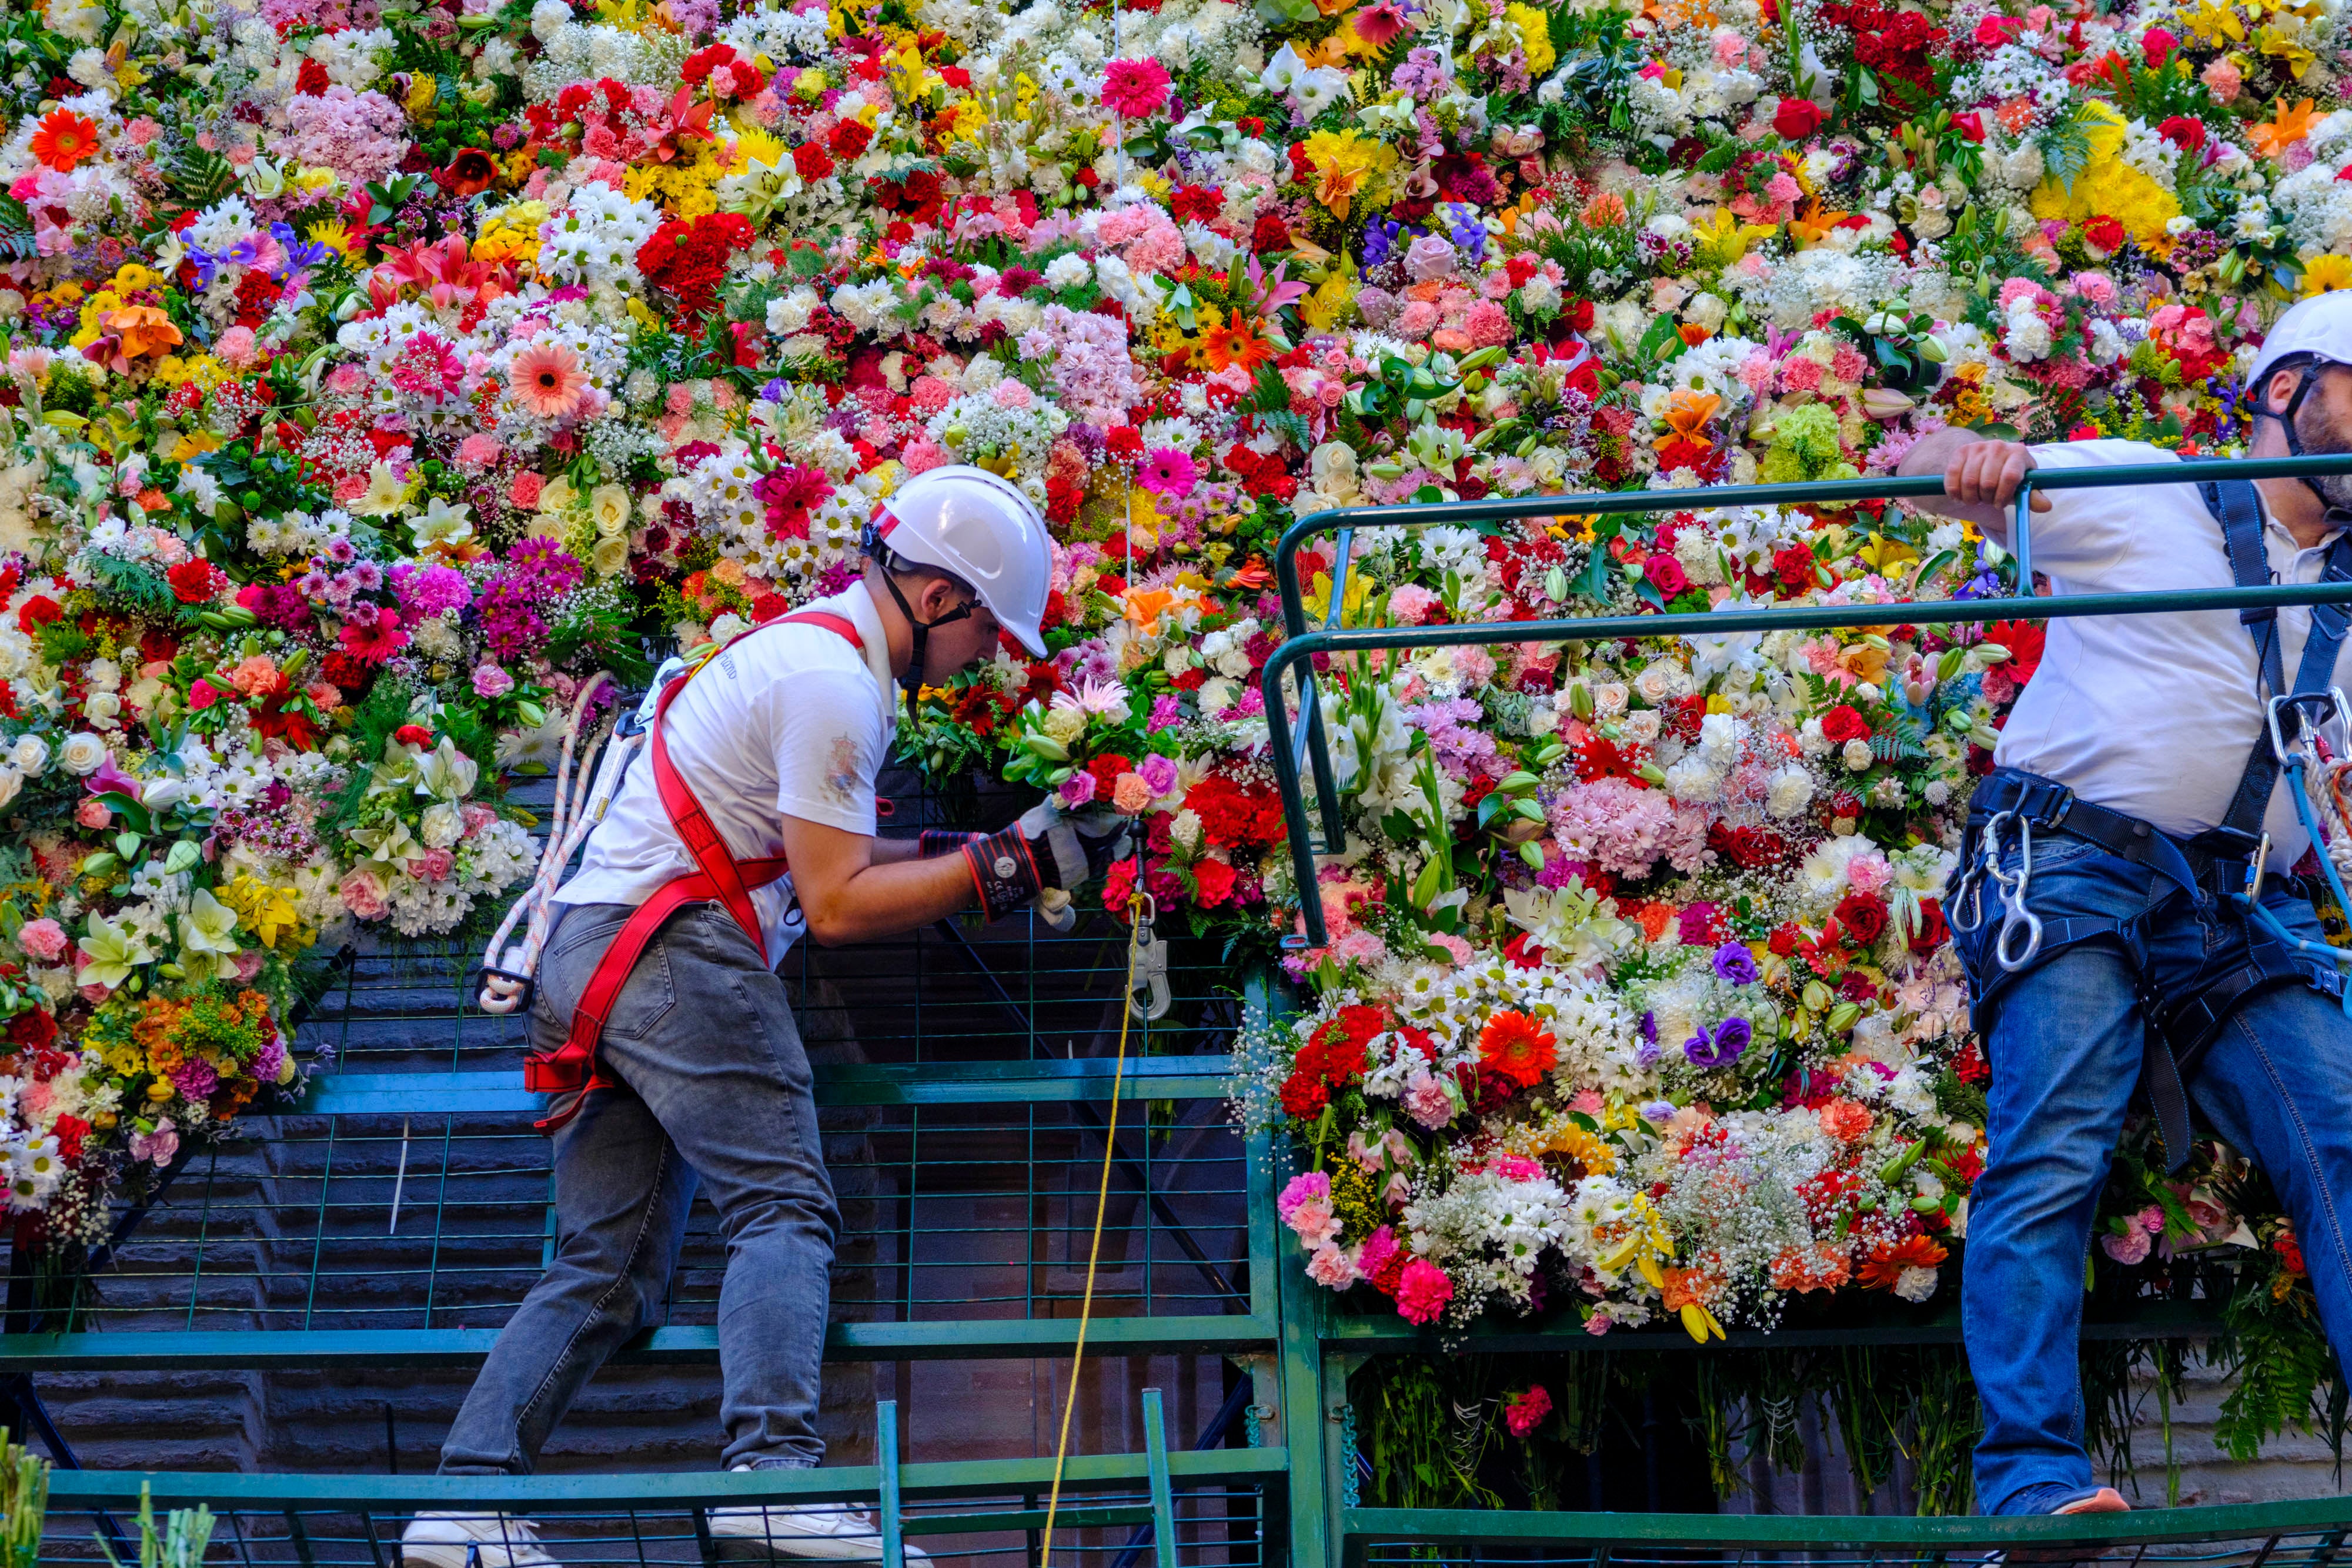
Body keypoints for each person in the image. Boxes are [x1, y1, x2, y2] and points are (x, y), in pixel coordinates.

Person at [403, 465, 1115, 1566]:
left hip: (591, 953)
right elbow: (832, 903)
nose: (983, 661)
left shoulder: (793, 651)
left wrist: (989, 856)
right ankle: (774, 1479)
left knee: (607, 1265)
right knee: (784, 1202)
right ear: (937, 601)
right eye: (985, 635)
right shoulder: (838, 683)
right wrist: (1001, 875)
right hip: (673, 953)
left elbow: (821, 850)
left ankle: (464, 1506)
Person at [1898, 289, 2352, 1519]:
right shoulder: (2150, 490)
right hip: (2069, 857)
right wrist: (1964, 460)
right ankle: (2028, 1483)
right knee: (2054, 1141)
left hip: (2237, 904)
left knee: (2343, 1134)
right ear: (2278, 390)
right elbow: (1930, 476)